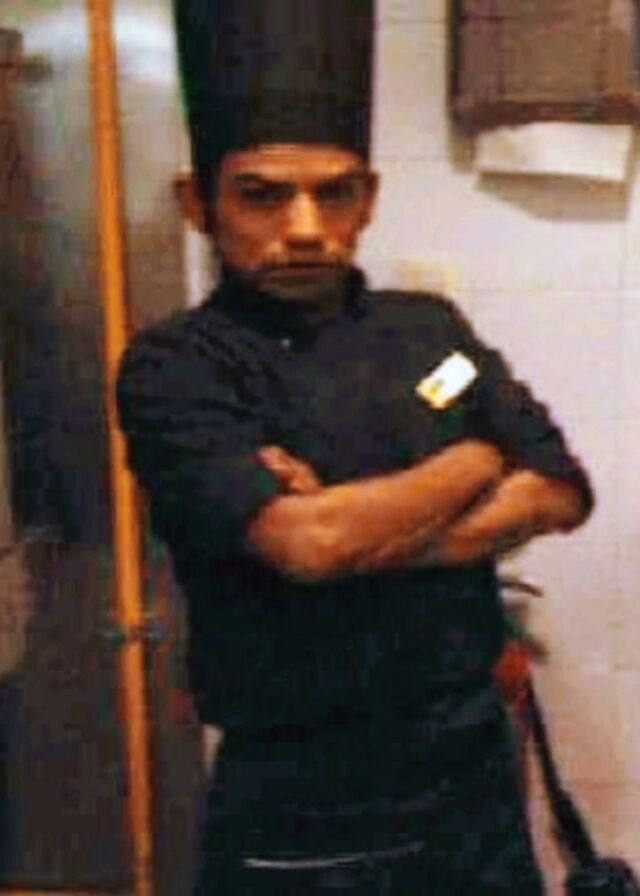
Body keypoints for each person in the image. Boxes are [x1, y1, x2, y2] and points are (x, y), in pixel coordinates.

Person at [117, 2, 594, 892]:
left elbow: (563, 488)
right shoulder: (176, 364)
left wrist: (368, 525)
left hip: (473, 782)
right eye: (262, 194)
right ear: (198, 203)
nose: (304, 226)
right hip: (304, 804)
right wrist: (476, 460)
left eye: (334, 192)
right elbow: (311, 544)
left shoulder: (429, 329)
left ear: (368, 199)